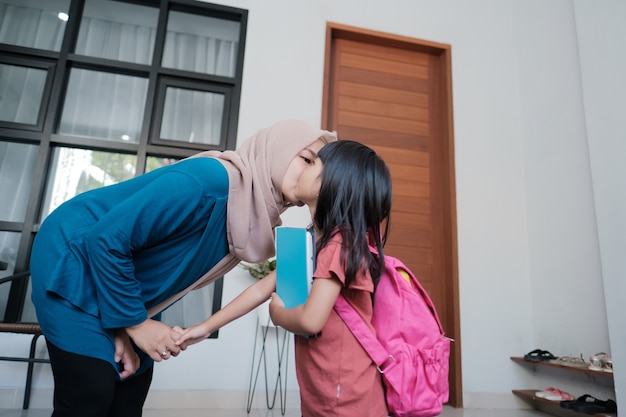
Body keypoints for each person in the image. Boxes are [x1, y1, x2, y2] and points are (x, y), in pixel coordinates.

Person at [29, 119, 337, 417]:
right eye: (307, 159)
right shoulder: (209, 180)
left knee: (129, 395)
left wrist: (128, 321)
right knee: (91, 395)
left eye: (321, 170)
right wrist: (135, 324)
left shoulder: (254, 218)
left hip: (126, 284)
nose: (314, 175)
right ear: (277, 150)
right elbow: (106, 239)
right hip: (74, 259)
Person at [177, 140, 392, 417]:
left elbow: (311, 320)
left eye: (313, 163)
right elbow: (260, 291)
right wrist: (204, 327)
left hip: (348, 394)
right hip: (324, 386)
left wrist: (277, 314)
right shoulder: (314, 243)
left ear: (336, 182)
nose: (303, 167)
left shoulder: (340, 244)